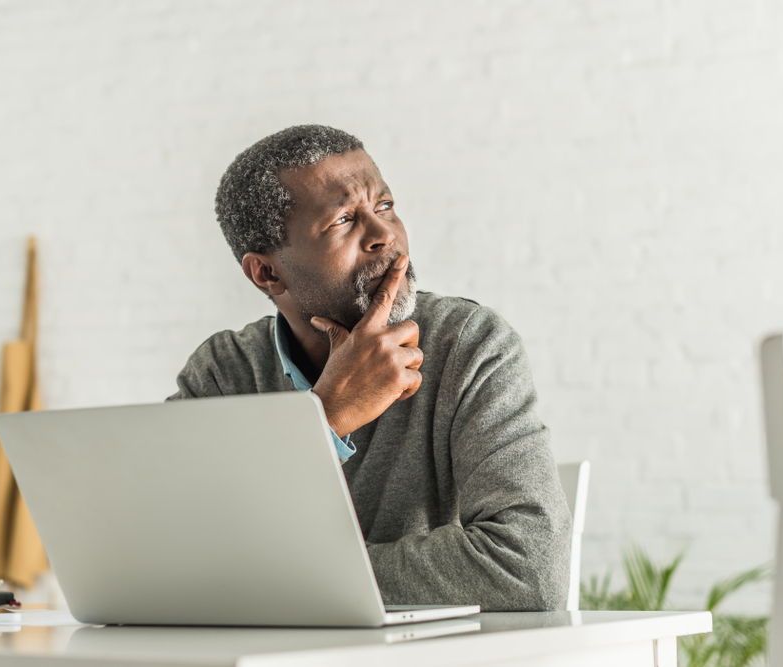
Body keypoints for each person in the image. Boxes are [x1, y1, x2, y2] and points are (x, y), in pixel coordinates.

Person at [168, 125, 571, 611]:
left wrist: (272, 581)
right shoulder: (223, 374)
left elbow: (530, 568)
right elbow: (162, 560)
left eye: (384, 207)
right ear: (267, 273)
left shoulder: (469, 346)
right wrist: (327, 417)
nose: (385, 236)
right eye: (342, 220)